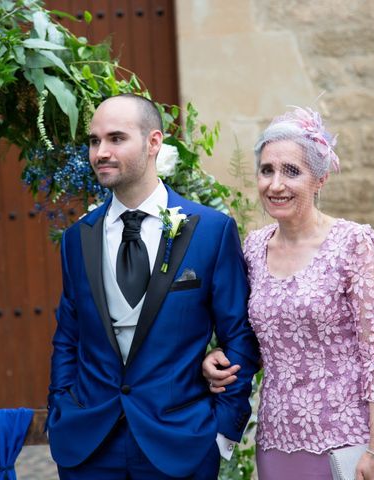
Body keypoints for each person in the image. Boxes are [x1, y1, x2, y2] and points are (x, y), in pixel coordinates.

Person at [46, 93, 260, 479]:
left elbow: (240, 335)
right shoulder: (78, 239)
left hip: (181, 442)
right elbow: (68, 336)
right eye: (94, 141)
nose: (101, 152)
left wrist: (224, 431)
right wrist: (61, 406)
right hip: (88, 448)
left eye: (116, 138)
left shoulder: (210, 230)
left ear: (154, 142)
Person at [203, 107, 374, 480]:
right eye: (267, 170)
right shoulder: (254, 248)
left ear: (319, 179)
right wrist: (220, 356)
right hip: (278, 437)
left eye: (291, 171)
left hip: (351, 438)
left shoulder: (354, 244)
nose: (275, 184)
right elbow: (257, 338)